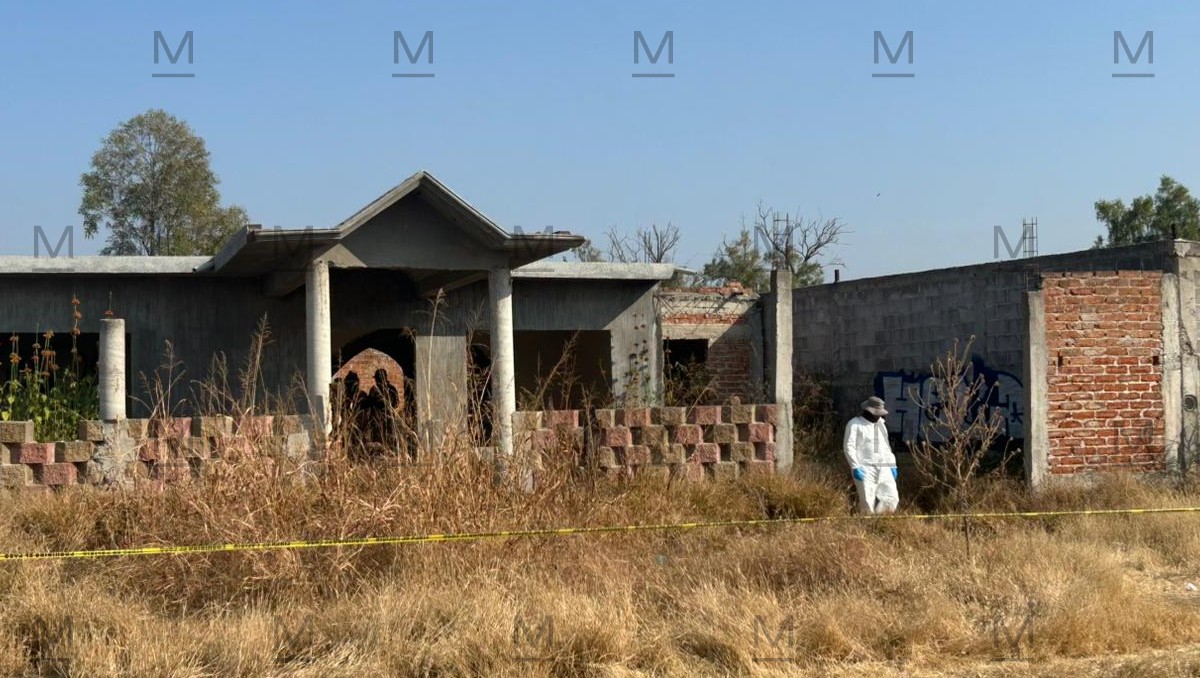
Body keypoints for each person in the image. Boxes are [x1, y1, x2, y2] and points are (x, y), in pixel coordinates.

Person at [843, 396, 899, 514]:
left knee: (892, 498)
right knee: (867, 502)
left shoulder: (881, 425)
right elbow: (849, 447)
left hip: (884, 467)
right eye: (877, 413)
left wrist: (892, 465)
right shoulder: (854, 424)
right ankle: (867, 527)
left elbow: (886, 447)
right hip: (865, 468)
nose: (879, 416)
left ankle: (882, 523)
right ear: (868, 411)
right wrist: (855, 466)